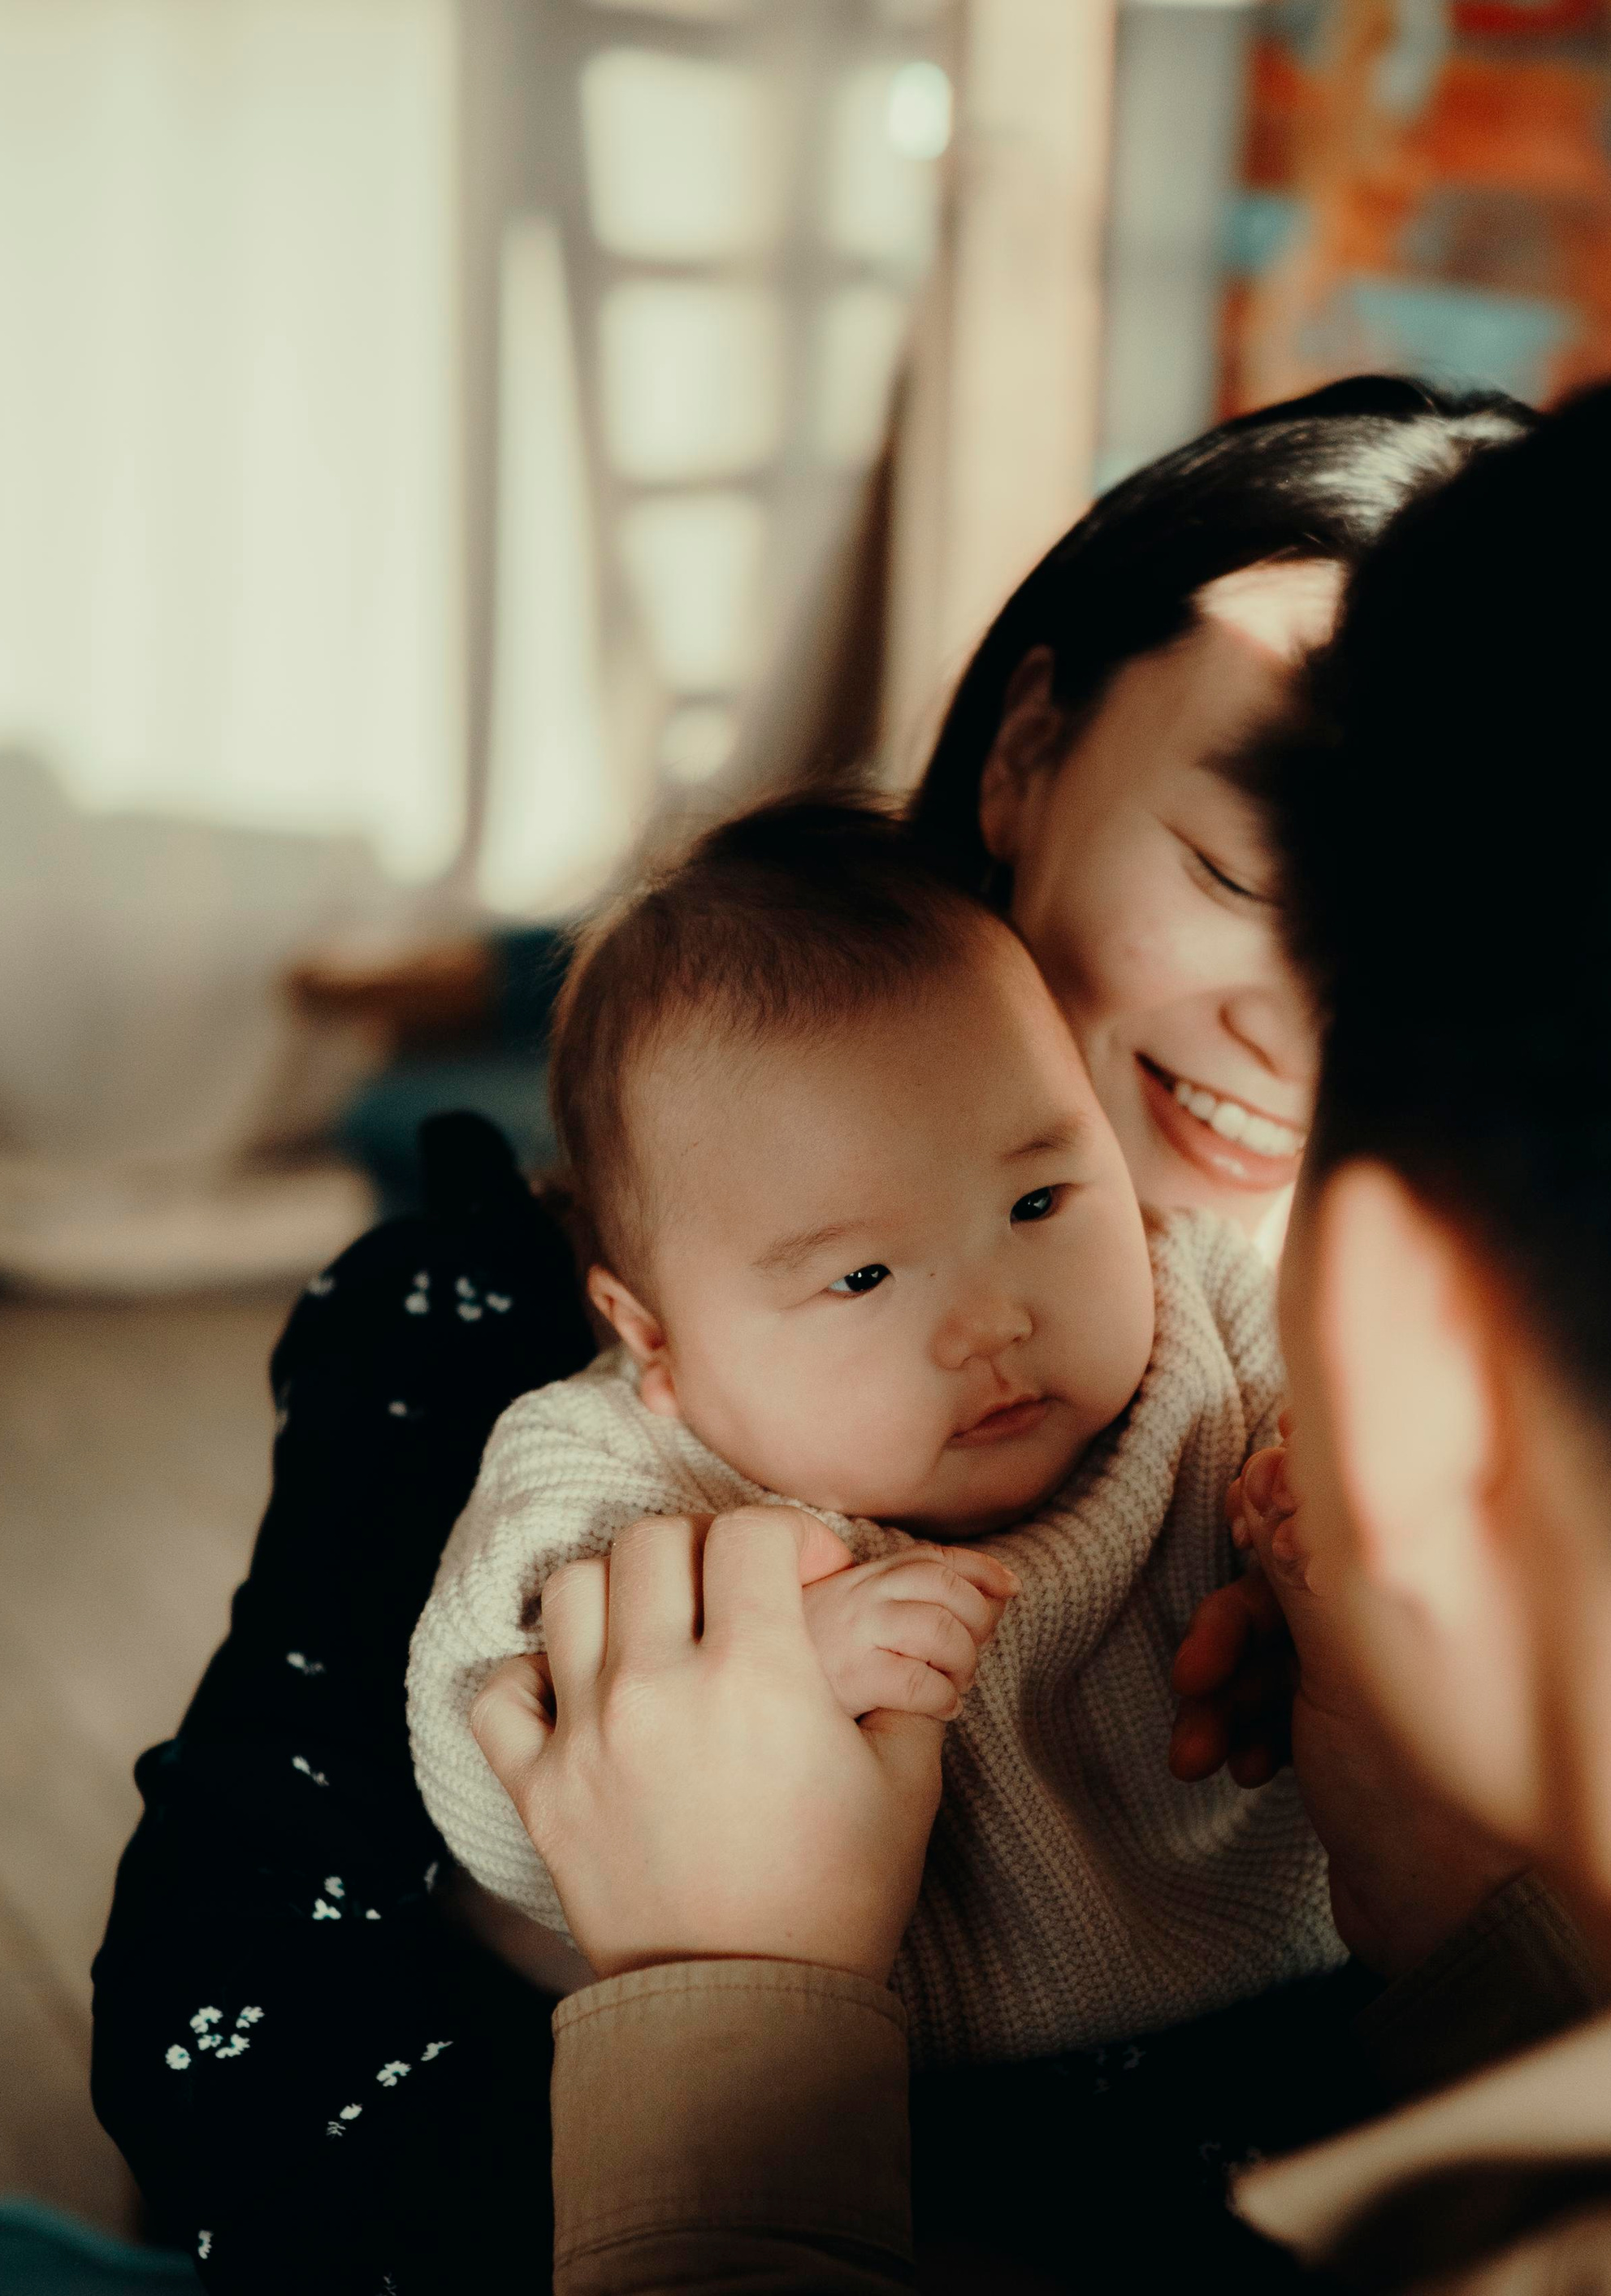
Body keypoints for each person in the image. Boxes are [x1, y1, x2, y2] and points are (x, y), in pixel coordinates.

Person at [451, 301, 1611, 2296]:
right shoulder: (519, 1384)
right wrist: (1480, 1920)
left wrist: (724, 2064)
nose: (1269, 1057)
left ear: (1412, 1374)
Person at [90, 380, 1566, 2296]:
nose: (1309, 1026)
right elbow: (252, 2129)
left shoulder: (1503, 1391)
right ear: (1038, 748)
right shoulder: (520, 1369)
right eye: (1247, 870)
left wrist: (1440, 1827)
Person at [409, 793, 1331, 2065]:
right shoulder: (619, 1474)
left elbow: (1375, 1454)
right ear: (657, 1339)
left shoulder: (1209, 1309)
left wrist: (1319, 1520)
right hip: (839, 2075)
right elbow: (482, 1754)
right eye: (860, 1279)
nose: (991, 1319)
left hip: (1281, 1988)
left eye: (1040, 1196)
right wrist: (767, 1675)